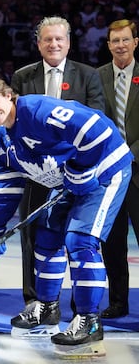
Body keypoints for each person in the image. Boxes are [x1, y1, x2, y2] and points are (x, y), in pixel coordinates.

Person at [0, 75, 131, 355]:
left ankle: (89, 321)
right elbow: (7, 187)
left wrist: (80, 171)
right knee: (46, 236)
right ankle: (47, 308)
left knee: (80, 240)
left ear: (9, 96)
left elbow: (97, 129)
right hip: (72, 181)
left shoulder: (38, 111)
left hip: (106, 171)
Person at [10, 16, 105, 308]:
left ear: (68, 43)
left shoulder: (88, 76)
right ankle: (34, 301)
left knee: (76, 238)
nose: (54, 44)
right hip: (37, 172)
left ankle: (81, 306)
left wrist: (68, 159)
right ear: (38, 44)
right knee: (33, 235)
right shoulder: (22, 77)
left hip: (78, 172)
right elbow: (16, 126)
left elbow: (96, 121)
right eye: (48, 39)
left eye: (59, 39)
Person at [97, 19, 139, 319]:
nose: (120, 46)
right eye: (115, 41)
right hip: (109, 175)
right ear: (108, 45)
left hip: (138, 170)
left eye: (126, 40)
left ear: (136, 42)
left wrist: (128, 153)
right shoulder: (96, 78)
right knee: (113, 244)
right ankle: (118, 303)